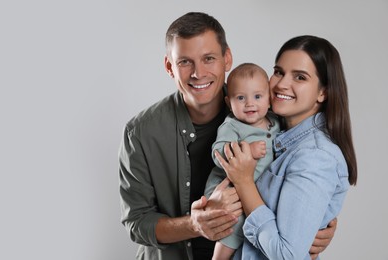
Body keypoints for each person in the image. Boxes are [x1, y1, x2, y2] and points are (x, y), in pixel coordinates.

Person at [119, 12, 336, 260]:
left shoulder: (266, 114)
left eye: (208, 59)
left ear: (227, 58)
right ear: (170, 67)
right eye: (185, 62)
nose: (198, 73)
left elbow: (301, 180)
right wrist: (195, 224)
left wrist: (319, 222)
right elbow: (137, 222)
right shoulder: (141, 133)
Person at [215, 35, 358, 259]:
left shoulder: (315, 157)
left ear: (323, 92)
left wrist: (244, 182)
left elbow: (287, 255)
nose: (281, 84)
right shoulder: (274, 132)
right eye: (279, 72)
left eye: (300, 77)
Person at [204, 63, 280, 259]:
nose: (250, 104)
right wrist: (247, 149)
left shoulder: (276, 122)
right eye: (241, 98)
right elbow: (217, 152)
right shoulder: (232, 126)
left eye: (257, 96)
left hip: (253, 190)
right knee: (235, 222)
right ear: (229, 102)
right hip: (228, 189)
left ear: (269, 98)